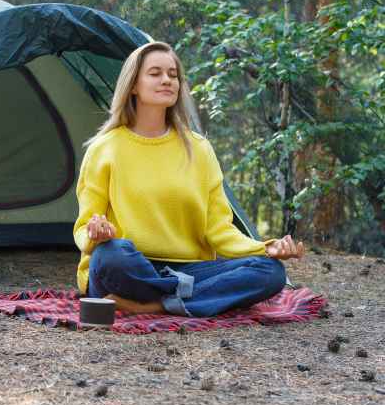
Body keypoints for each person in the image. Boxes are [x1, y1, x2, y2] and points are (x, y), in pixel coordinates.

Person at [74, 41, 305, 317]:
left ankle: (153, 305)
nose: (166, 80)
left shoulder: (199, 149)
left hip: (187, 269)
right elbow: (83, 228)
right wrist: (96, 233)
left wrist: (266, 248)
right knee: (110, 255)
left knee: (271, 272)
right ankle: (186, 298)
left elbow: (219, 229)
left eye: (173, 75)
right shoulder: (105, 148)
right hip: (130, 267)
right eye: (155, 73)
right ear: (133, 85)